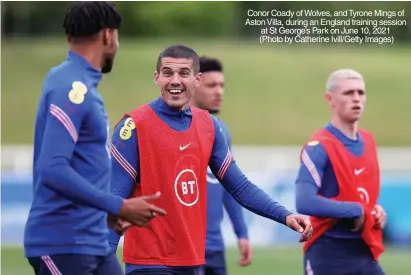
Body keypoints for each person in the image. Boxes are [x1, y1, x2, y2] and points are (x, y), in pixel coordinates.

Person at [108, 44, 312, 275]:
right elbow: (114, 201)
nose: (175, 80)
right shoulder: (134, 126)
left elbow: (240, 186)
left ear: (197, 79)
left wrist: (285, 215)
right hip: (150, 263)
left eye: (184, 73)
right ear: (157, 78)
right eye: (167, 73)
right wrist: (103, 258)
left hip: (192, 261)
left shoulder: (209, 126)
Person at [24, 2, 166, 275]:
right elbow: (52, 169)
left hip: (93, 241)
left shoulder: (80, 85)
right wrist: (119, 204)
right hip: (64, 244)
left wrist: (107, 211)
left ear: (69, 37)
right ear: (108, 36)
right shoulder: (71, 86)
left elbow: (79, 166)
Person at [295, 69, 387, 275]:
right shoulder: (318, 146)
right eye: (348, 93)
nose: (356, 99)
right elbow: (304, 201)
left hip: (364, 252)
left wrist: (374, 211)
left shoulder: (368, 141)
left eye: (361, 93)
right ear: (330, 99)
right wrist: (357, 210)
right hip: (328, 253)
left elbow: (361, 197)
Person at [191, 56, 251, 275]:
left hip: (215, 248)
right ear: (194, 85)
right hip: (185, 248)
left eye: (222, 85)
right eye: (211, 85)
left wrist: (241, 232)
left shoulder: (222, 131)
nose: (219, 92)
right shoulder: (177, 130)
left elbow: (229, 184)